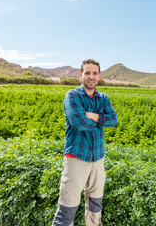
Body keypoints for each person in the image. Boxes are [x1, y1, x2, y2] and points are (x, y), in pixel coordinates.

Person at [53, 59, 118, 226]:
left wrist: (94, 116)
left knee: (95, 203)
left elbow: (114, 120)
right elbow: (79, 123)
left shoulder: (103, 98)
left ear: (99, 76)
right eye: (87, 73)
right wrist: (101, 121)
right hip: (76, 157)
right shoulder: (73, 96)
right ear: (81, 75)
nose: (91, 76)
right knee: (68, 206)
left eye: (94, 73)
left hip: (97, 158)